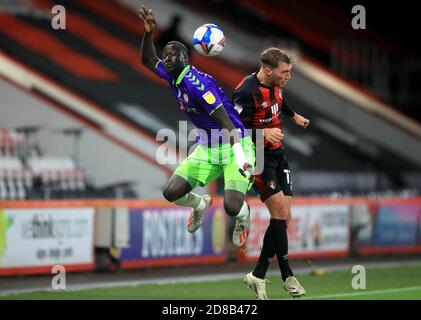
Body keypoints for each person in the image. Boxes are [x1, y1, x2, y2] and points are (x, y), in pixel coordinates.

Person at [139, 6, 254, 248]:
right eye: (166, 54)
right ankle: (199, 204)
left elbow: (226, 123)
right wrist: (149, 33)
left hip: (235, 143)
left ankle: (245, 216)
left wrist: (242, 158)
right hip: (209, 147)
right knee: (171, 192)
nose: (166, 58)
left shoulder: (197, 85)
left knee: (232, 207)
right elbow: (148, 60)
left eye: (172, 55)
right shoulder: (173, 76)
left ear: (185, 59)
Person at [233, 48, 309, 299]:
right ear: (268, 70)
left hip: (278, 154)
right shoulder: (246, 91)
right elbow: (233, 129)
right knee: (279, 213)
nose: (288, 76)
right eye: (284, 72)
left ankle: (258, 274)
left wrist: (293, 116)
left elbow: (279, 101)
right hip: (258, 158)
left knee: (284, 219)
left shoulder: (276, 84)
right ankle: (288, 275)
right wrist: (262, 133)